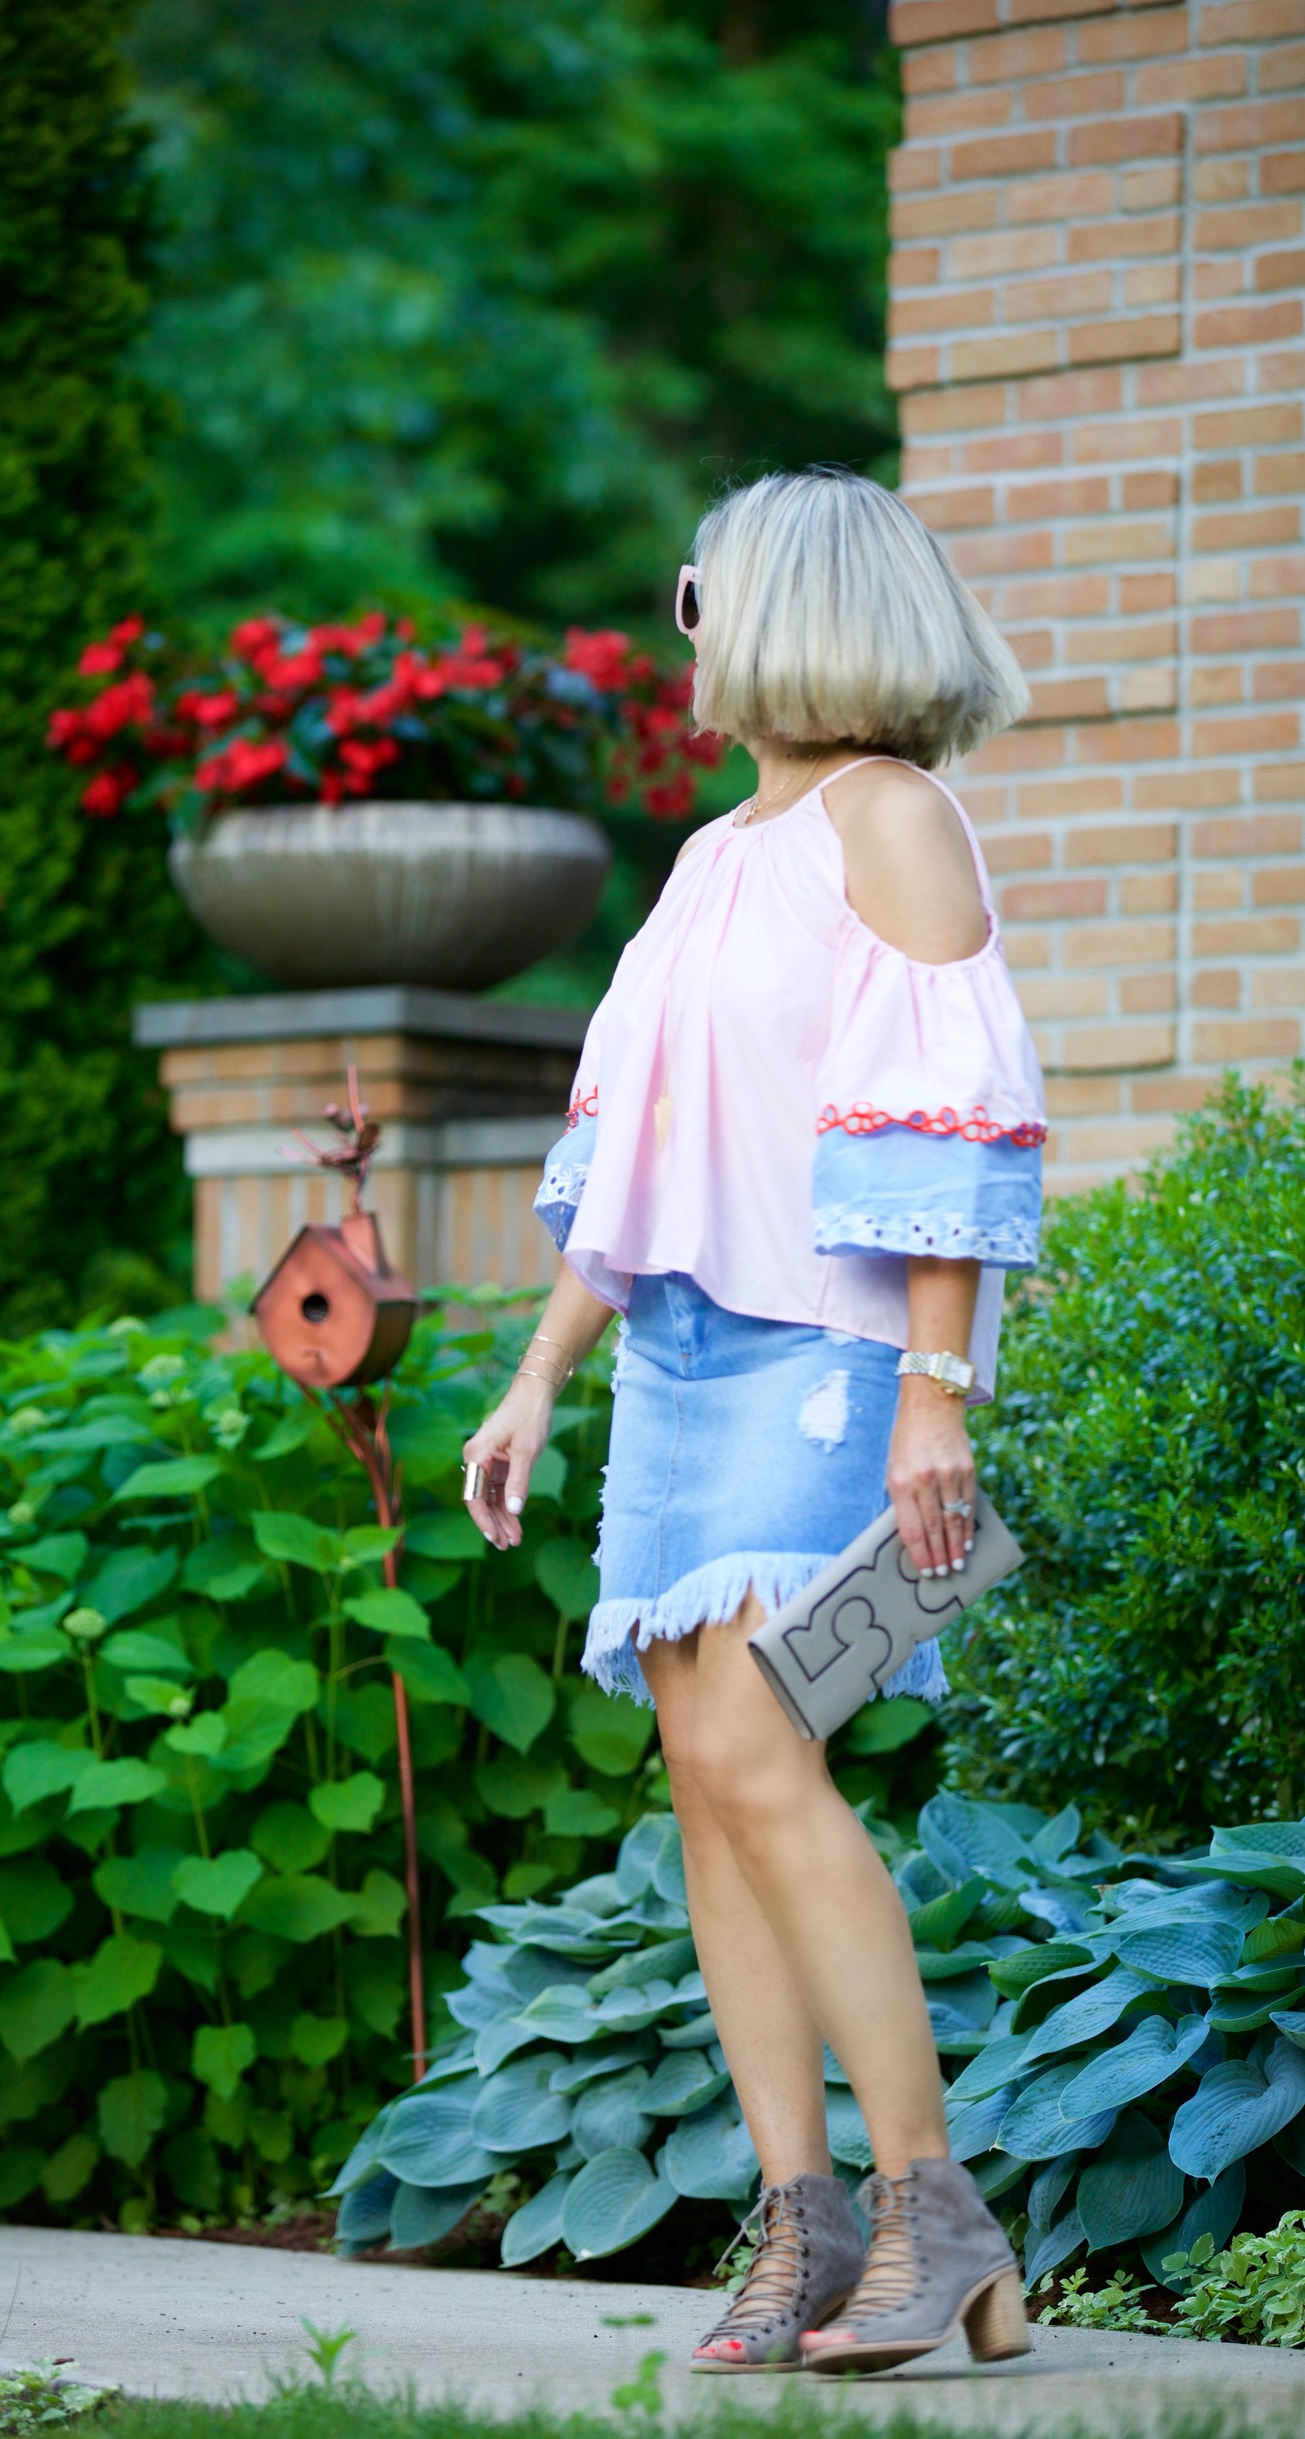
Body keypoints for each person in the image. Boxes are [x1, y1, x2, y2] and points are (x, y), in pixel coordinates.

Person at [462, 469, 1046, 2377]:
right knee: (705, 1778)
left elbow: (941, 1112)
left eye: (704, 586)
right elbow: (634, 1155)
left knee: (762, 1753)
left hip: (831, 1359)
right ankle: (799, 2226)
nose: (685, 616)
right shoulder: (718, 856)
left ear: (784, 606)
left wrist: (933, 1399)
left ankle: (928, 2202)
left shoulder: (896, 820)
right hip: (680, 1361)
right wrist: (538, 1376)